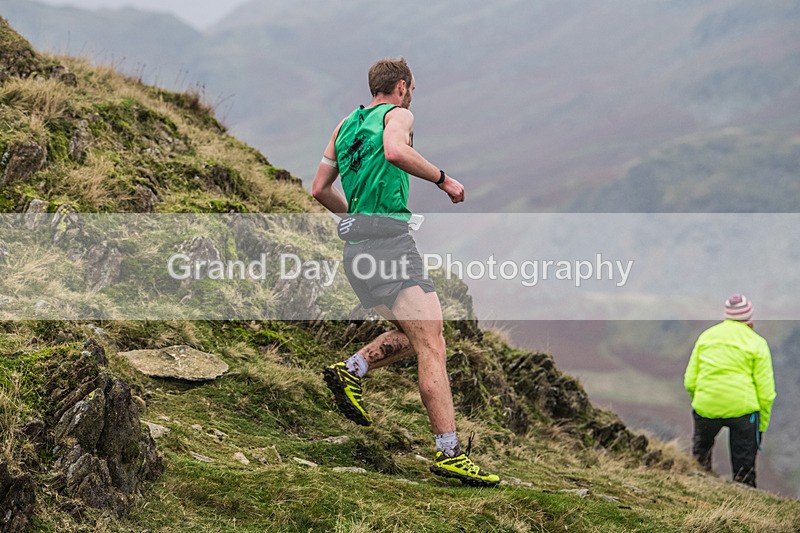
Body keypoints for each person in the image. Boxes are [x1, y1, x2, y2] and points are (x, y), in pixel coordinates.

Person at [311, 57, 500, 487]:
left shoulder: (344, 126)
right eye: (411, 88)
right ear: (402, 86)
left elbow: (319, 188)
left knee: (420, 335)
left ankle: (351, 371)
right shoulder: (398, 115)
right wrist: (444, 179)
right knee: (432, 344)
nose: (411, 94)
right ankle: (449, 452)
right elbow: (396, 150)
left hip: (357, 248)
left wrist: (354, 217)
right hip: (390, 244)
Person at [684, 294, 776, 487]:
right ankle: (746, 509)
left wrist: (700, 402)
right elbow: (766, 393)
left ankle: (696, 492)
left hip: (705, 406)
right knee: (744, 470)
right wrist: (761, 425)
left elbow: (690, 381)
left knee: (699, 459)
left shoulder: (706, 336)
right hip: (743, 410)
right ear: (749, 316)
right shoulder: (757, 343)